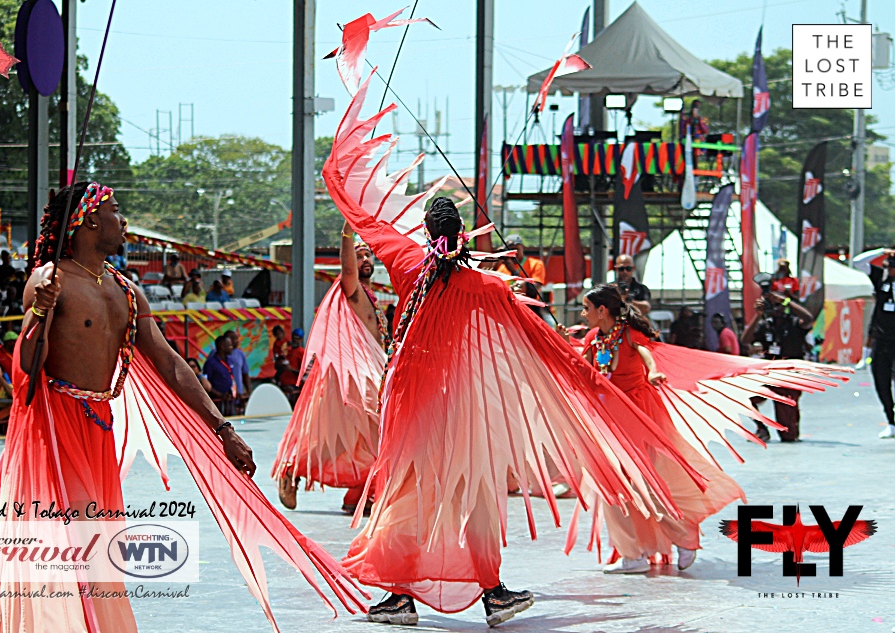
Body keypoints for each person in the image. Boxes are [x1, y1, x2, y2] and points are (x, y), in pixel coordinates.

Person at [0, 182, 365, 632]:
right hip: (52, 430)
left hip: (98, 429)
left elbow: (170, 364)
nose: (122, 219)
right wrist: (38, 314)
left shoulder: (126, 290)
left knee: (95, 550)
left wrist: (222, 429)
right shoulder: (49, 279)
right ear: (89, 220)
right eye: (114, 210)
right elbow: (28, 371)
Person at [330, 130, 694, 626]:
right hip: (459, 404)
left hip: (407, 403)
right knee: (476, 494)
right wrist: (581, 374)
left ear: (423, 230)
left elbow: (368, 221)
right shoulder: (485, 286)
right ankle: (493, 593)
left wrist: (345, 197)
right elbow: (538, 338)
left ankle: (399, 596)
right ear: (463, 234)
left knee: (407, 492)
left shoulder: (406, 263)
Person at [581, 284, 744, 573]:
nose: (583, 315)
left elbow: (645, 353)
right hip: (608, 420)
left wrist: (654, 371)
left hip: (638, 415)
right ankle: (632, 554)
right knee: (612, 488)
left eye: (587, 308)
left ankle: (683, 536)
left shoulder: (630, 333)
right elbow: (581, 369)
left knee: (646, 484)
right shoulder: (594, 338)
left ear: (602, 310)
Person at [273, 221, 388, 515]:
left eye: (368, 256)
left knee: (370, 441)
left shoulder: (371, 295)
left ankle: (357, 495)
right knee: (359, 439)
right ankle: (293, 468)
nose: (364, 261)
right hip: (352, 378)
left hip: (372, 372)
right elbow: (347, 270)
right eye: (359, 256)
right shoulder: (351, 288)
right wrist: (347, 230)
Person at [740, 286, 814, 442]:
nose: (776, 308)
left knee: (788, 434)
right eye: (773, 305)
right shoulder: (766, 324)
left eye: (778, 305)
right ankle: (761, 427)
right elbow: (745, 340)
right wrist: (758, 316)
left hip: (790, 372)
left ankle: (790, 430)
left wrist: (787, 301)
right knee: (744, 398)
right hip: (769, 371)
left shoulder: (794, 323)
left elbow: (808, 319)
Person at [866, 250, 895, 439]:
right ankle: (891, 421)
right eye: (889, 266)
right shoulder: (881, 281)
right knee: (880, 377)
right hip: (883, 339)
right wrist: (882, 252)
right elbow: (858, 262)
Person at [204, 334, 238, 415]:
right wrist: (220, 395)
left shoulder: (229, 361)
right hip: (217, 403)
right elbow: (205, 383)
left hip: (229, 402)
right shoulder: (211, 363)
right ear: (222, 346)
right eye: (229, 345)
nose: (232, 347)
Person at [225, 329, 252, 400]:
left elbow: (245, 373)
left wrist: (249, 391)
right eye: (234, 338)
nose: (237, 341)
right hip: (225, 395)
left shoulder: (239, 353)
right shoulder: (217, 353)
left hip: (238, 394)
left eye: (237, 338)